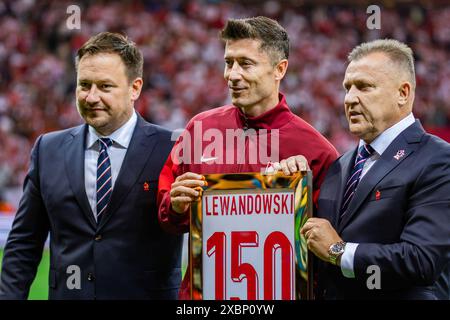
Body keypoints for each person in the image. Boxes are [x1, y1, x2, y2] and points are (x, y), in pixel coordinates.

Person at [158, 16, 338, 299]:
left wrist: (296, 193)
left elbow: (327, 244)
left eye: (246, 63)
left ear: (280, 69)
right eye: (229, 63)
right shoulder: (199, 129)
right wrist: (176, 205)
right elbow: (167, 216)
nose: (232, 75)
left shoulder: (316, 150)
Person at [0, 32, 183, 300]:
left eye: (105, 86)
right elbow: (24, 242)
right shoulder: (47, 150)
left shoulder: (172, 148)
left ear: (135, 88)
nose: (91, 97)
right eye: (84, 85)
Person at [299, 39, 450, 299]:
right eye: (347, 88)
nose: (350, 98)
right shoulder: (340, 165)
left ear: (403, 93)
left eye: (364, 87)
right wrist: (288, 183)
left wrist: (339, 251)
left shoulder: (437, 159)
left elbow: (421, 261)